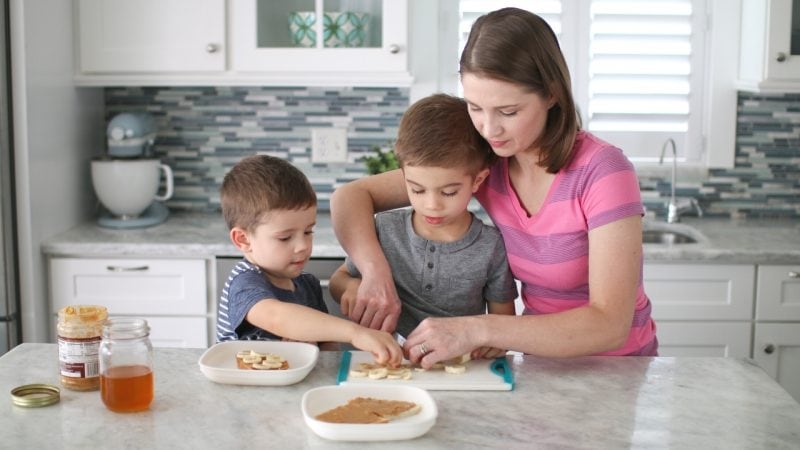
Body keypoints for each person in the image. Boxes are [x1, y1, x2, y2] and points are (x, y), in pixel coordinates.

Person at [329, 7, 657, 368]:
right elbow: (350, 197)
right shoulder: (490, 162)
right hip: (542, 365)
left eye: (508, 111)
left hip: (619, 370)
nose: (489, 129)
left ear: (551, 95)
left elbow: (610, 324)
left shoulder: (603, 171)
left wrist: (478, 329)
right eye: (475, 107)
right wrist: (375, 273)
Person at [328, 94, 518, 360]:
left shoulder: (491, 246)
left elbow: (503, 323)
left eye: (449, 192)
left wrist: (489, 344)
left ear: (478, 181)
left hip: (460, 368)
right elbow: (339, 280)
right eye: (416, 189)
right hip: (386, 364)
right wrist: (350, 290)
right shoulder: (385, 229)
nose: (431, 205)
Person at [215, 154, 403, 365]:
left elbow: (328, 348)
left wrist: (316, 349)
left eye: (308, 232)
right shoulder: (244, 282)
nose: (303, 246)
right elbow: (278, 317)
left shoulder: (307, 285)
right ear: (243, 239)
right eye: (285, 237)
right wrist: (355, 333)